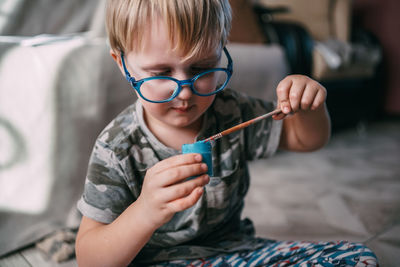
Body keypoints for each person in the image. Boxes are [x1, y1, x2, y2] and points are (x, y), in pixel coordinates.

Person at [75, 0, 378, 266]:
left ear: (221, 52)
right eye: (162, 72)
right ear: (122, 63)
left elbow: (305, 140)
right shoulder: (116, 147)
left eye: (201, 67)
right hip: (157, 262)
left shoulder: (232, 110)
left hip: (239, 254)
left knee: (356, 257)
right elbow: (90, 258)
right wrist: (144, 211)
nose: (185, 91)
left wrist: (309, 107)